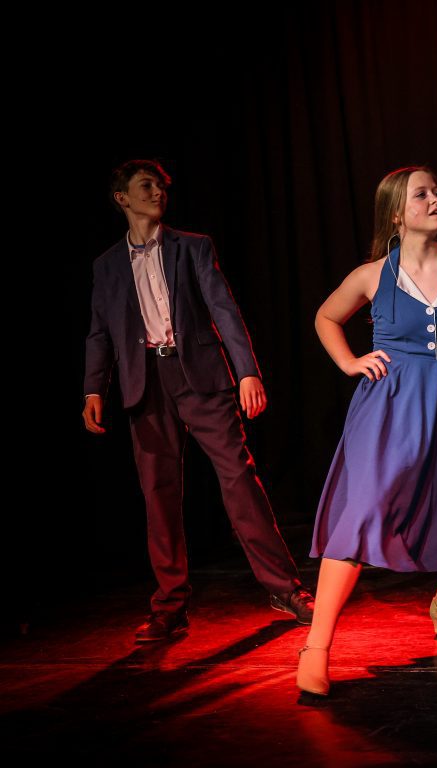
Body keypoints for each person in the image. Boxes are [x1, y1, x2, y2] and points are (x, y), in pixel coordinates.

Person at [297, 167, 437, 697]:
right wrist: (350, 361)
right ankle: (316, 647)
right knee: (361, 515)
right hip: (386, 409)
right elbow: (326, 317)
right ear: (396, 213)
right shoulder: (373, 275)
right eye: (421, 195)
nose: (434, 200)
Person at [82, 160, 314, 643]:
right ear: (121, 198)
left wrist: (246, 371)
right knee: (158, 493)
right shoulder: (106, 265)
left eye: (161, 186)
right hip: (144, 383)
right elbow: (99, 333)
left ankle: (285, 588)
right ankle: (170, 605)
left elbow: (223, 309)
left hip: (201, 377)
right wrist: (93, 388)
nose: (157, 192)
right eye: (146, 186)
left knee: (238, 478)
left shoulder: (192, 247)